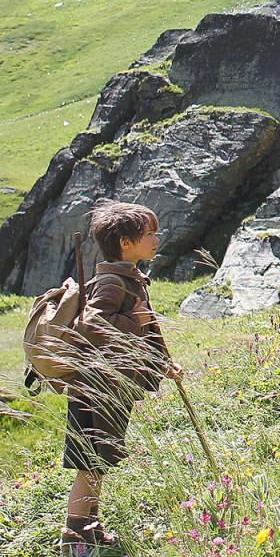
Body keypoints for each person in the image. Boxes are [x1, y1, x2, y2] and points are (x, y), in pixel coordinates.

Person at [62, 201, 176, 555]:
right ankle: (75, 537)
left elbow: (145, 331)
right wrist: (135, 323)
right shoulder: (113, 281)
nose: (156, 239)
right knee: (91, 461)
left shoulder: (128, 276)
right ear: (126, 242)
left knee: (99, 460)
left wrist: (163, 364)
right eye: (149, 234)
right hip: (97, 387)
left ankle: (91, 531)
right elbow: (91, 325)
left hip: (106, 386)